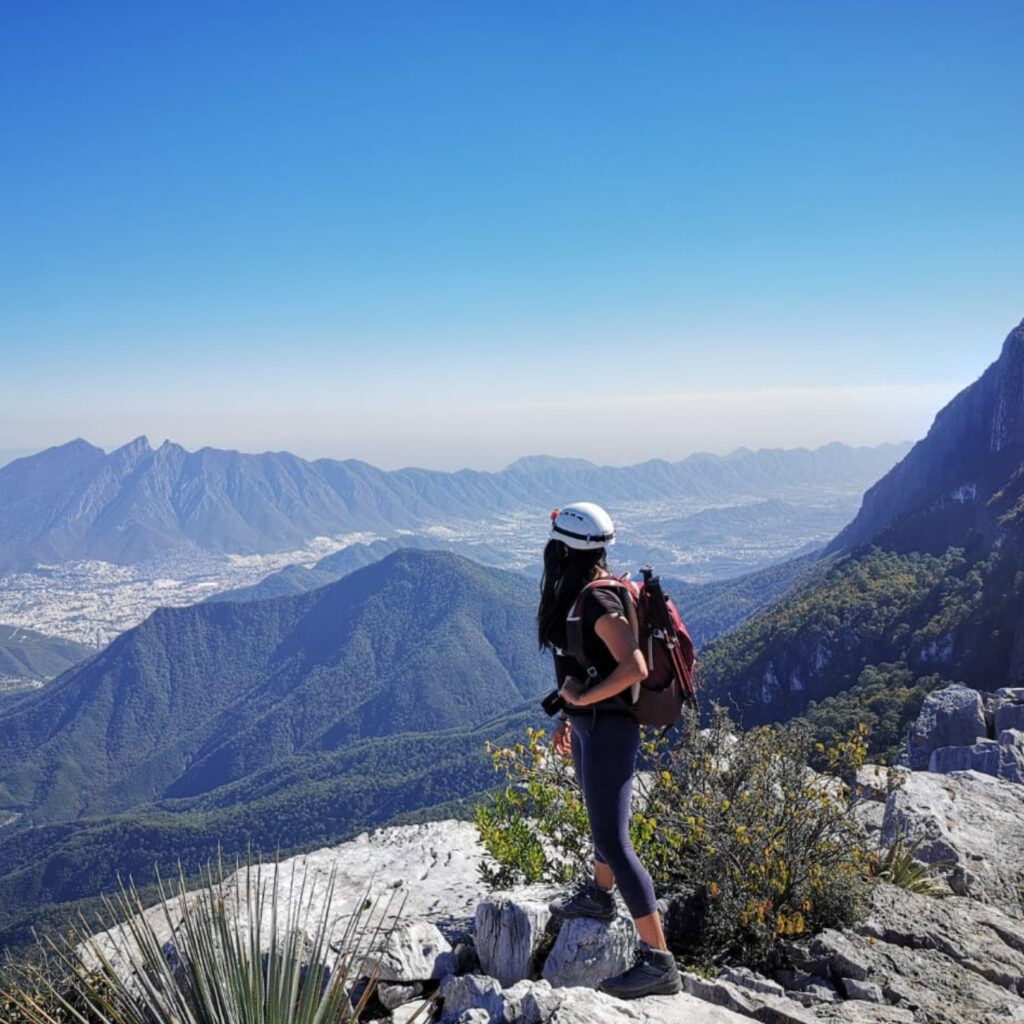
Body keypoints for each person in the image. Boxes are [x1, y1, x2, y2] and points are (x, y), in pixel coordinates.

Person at [538, 502, 682, 1000]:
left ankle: (658, 962)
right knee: (600, 823)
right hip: (589, 726)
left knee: (616, 842)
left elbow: (634, 667)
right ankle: (599, 898)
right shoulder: (581, 593)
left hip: (608, 729)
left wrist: (581, 702)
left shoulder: (598, 601)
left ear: (563, 548)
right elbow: (587, 666)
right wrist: (569, 714)